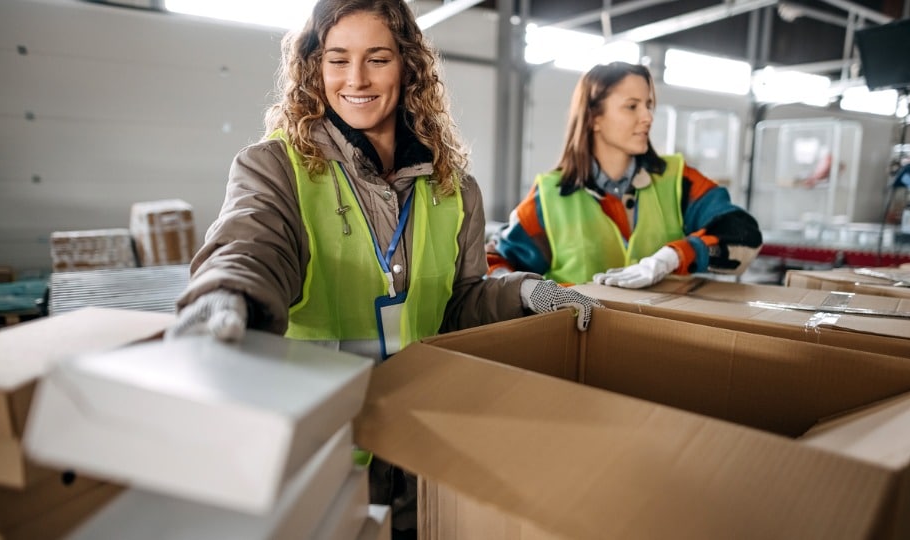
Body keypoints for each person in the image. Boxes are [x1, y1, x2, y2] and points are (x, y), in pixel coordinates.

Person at [165, 0, 601, 537]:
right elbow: (252, 243)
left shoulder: (454, 188)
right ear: (314, 68)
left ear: (408, 66)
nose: (356, 79)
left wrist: (526, 293)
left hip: (424, 449)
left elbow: (461, 300)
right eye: (337, 59)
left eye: (378, 58)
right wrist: (225, 292)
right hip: (326, 455)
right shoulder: (276, 167)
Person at [487, 62, 763, 288]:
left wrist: (673, 256)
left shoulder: (678, 180)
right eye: (632, 106)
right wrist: (527, 290)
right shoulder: (549, 197)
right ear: (594, 117)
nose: (648, 117)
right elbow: (495, 261)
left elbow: (744, 234)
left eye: (649, 105)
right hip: (574, 345)